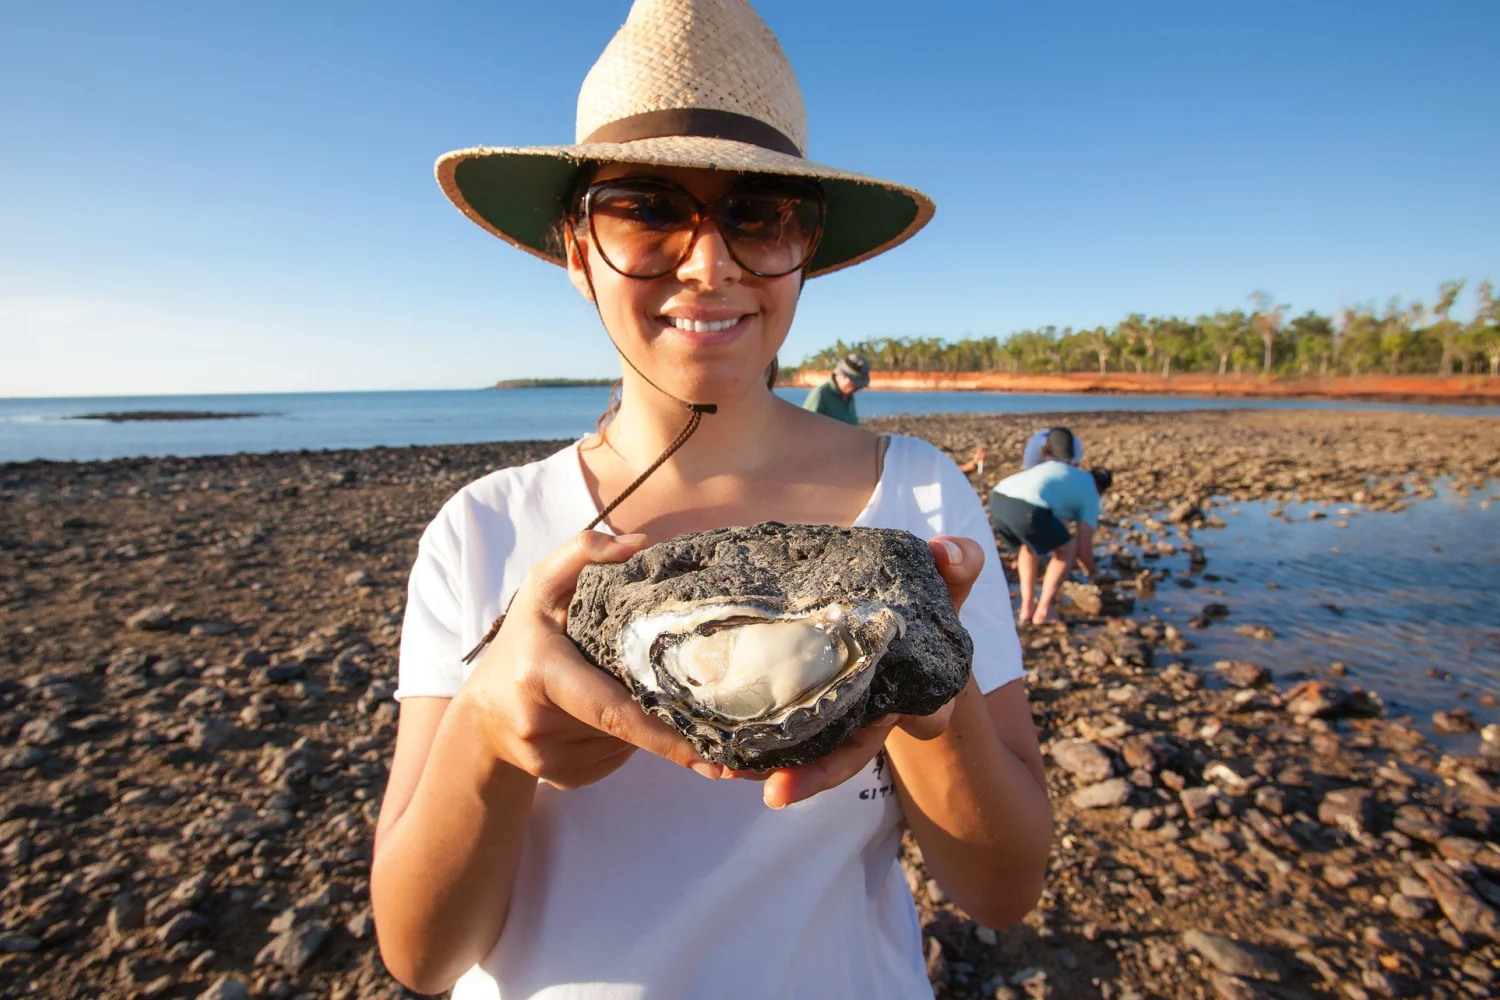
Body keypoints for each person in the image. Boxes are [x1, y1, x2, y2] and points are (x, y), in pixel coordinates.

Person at [370, 2, 1052, 998]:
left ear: (804, 248)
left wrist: (930, 698)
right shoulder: (483, 531)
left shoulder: (915, 499)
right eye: (646, 209)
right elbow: (422, 956)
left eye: (760, 215)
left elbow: (1001, 890)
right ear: (577, 250)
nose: (709, 263)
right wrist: (485, 729)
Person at [988, 429, 1109, 626]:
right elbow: (1083, 549)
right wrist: (1094, 572)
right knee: (1067, 549)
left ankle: (1027, 607)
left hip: (999, 498)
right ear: (1102, 489)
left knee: (1030, 546)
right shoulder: (1092, 494)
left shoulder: (1066, 473)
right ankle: (1044, 610)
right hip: (1028, 507)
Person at [802, 352, 870, 425]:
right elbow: (805, 426)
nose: (859, 387)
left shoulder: (849, 396)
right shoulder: (820, 394)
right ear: (843, 376)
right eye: (856, 383)